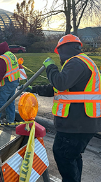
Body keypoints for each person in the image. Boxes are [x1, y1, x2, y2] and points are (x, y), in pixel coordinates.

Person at [25, 34, 101, 182]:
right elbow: (58, 89)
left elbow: (59, 82)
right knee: (72, 156)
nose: (59, 57)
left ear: (64, 49)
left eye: (59, 53)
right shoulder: (80, 63)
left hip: (76, 124)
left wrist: (50, 67)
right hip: (81, 122)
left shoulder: (76, 63)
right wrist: (34, 89)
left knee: (63, 155)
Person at [0, 41, 20, 125]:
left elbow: (1, 72)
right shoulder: (12, 55)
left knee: (0, 102)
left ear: (2, 50)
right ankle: (10, 121)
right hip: (14, 81)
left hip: (7, 83)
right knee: (10, 103)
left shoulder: (3, 58)